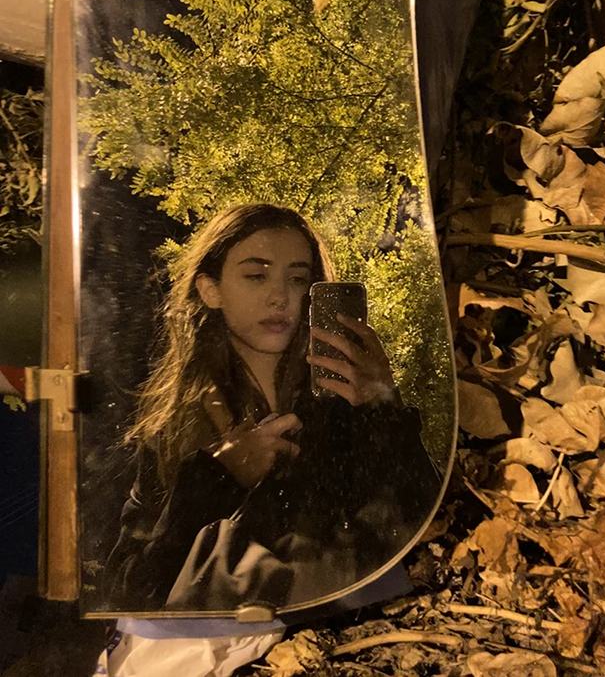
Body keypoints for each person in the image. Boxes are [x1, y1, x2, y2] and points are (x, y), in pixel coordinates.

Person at [105, 203, 442, 612]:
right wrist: (217, 478)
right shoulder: (175, 426)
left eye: (297, 279)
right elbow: (131, 589)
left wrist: (384, 406)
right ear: (211, 290)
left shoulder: (342, 405)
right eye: (256, 275)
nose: (280, 297)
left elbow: (427, 529)